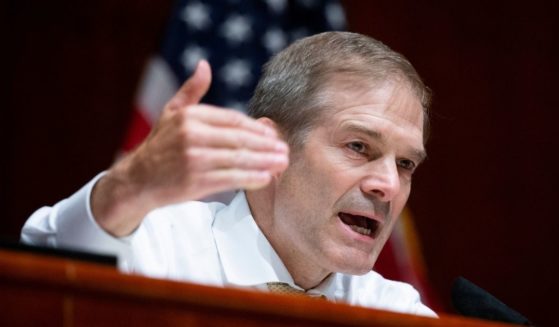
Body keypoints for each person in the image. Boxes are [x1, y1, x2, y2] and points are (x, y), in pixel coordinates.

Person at [21, 31, 435, 317]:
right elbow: (44, 275)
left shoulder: (393, 311)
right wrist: (131, 184)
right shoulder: (159, 249)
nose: (389, 186)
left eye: (405, 164)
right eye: (359, 147)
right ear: (271, 150)